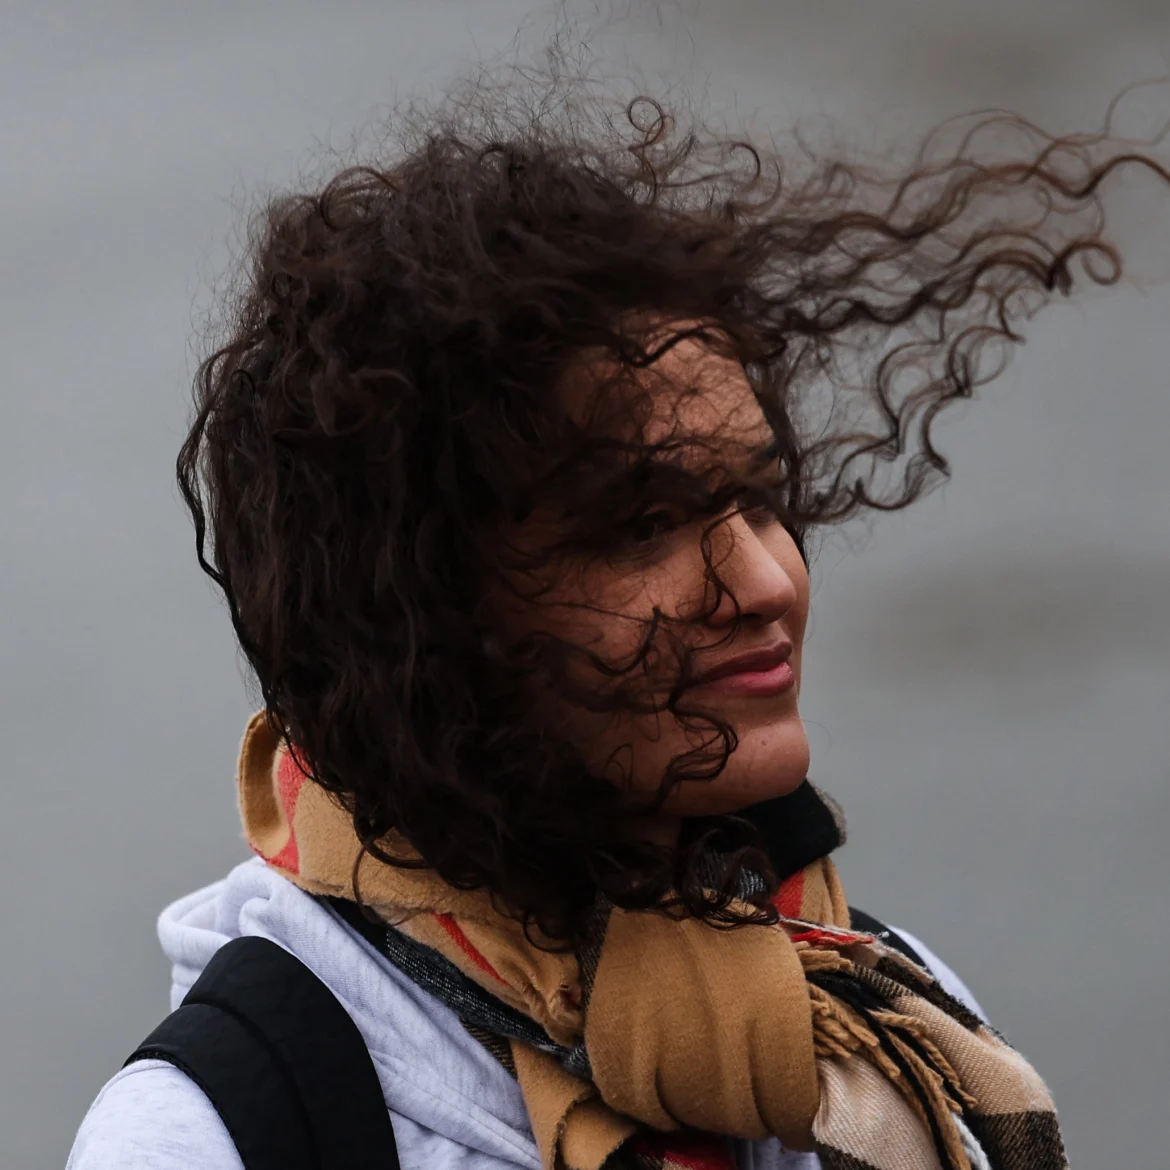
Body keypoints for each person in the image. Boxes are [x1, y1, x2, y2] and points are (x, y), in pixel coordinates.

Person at [66, 71, 1168, 1170]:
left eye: (760, 498)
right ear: (421, 619)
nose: (768, 582)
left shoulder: (885, 1027)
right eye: (643, 525)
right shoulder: (221, 1133)